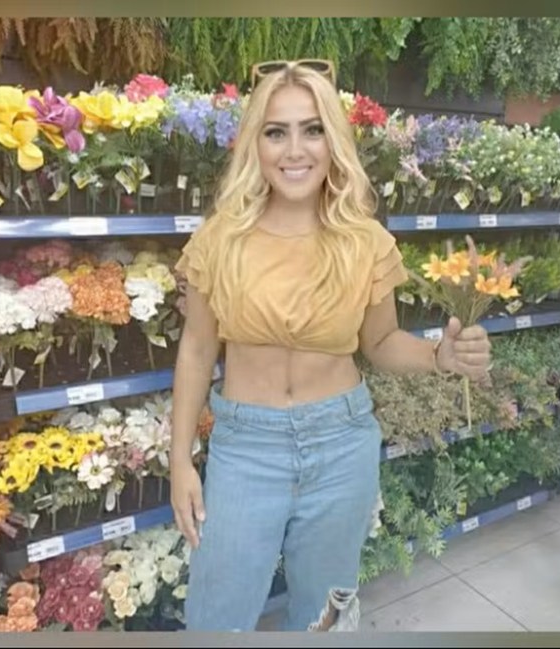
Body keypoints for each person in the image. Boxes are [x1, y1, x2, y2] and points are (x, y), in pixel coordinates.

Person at [169, 59, 492, 632]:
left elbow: (382, 342)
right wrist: (180, 463)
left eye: (312, 129)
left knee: (325, 618)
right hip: (246, 448)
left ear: (333, 140)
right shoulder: (219, 238)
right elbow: (197, 351)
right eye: (276, 131)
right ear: (255, 144)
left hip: (342, 445)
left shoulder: (363, 241)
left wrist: (439, 357)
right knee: (217, 618)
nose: (296, 150)